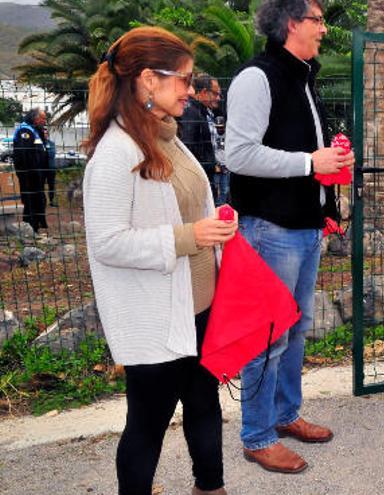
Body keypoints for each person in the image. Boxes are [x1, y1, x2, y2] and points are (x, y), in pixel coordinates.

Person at [82, 26, 236, 494]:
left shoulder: (167, 138)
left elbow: (194, 208)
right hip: (157, 320)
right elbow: (107, 242)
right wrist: (189, 236)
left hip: (199, 309)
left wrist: (216, 228)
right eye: (184, 80)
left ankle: (210, 487)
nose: (192, 90)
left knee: (205, 404)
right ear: (149, 79)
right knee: (147, 426)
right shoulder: (115, 153)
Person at [225, 0, 352, 474]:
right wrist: (309, 163)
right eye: (317, 21)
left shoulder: (301, 75)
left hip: (302, 226)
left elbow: (303, 152)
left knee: (294, 331)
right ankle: (257, 436)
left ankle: (284, 416)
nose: (324, 30)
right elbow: (238, 154)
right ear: (292, 24)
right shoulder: (257, 77)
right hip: (269, 228)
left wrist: (329, 166)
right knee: (266, 338)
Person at [178, 73, 221, 195]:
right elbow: (187, 147)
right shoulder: (191, 112)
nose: (218, 98)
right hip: (197, 181)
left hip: (204, 177)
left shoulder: (201, 111)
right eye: (215, 93)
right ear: (203, 92)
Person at [12, 108, 48, 231]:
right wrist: (33, 172)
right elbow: (25, 154)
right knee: (31, 199)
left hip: (37, 173)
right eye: (42, 118)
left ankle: (38, 224)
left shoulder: (34, 130)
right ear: (35, 118)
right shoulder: (25, 130)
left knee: (38, 197)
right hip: (29, 174)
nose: (44, 121)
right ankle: (30, 226)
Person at [41, 123, 58, 208]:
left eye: (46, 133)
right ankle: (42, 202)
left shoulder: (51, 143)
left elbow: (52, 154)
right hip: (42, 169)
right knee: (41, 186)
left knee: (51, 186)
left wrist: (44, 153)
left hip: (51, 168)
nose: (45, 135)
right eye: (43, 133)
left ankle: (51, 201)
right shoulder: (39, 143)